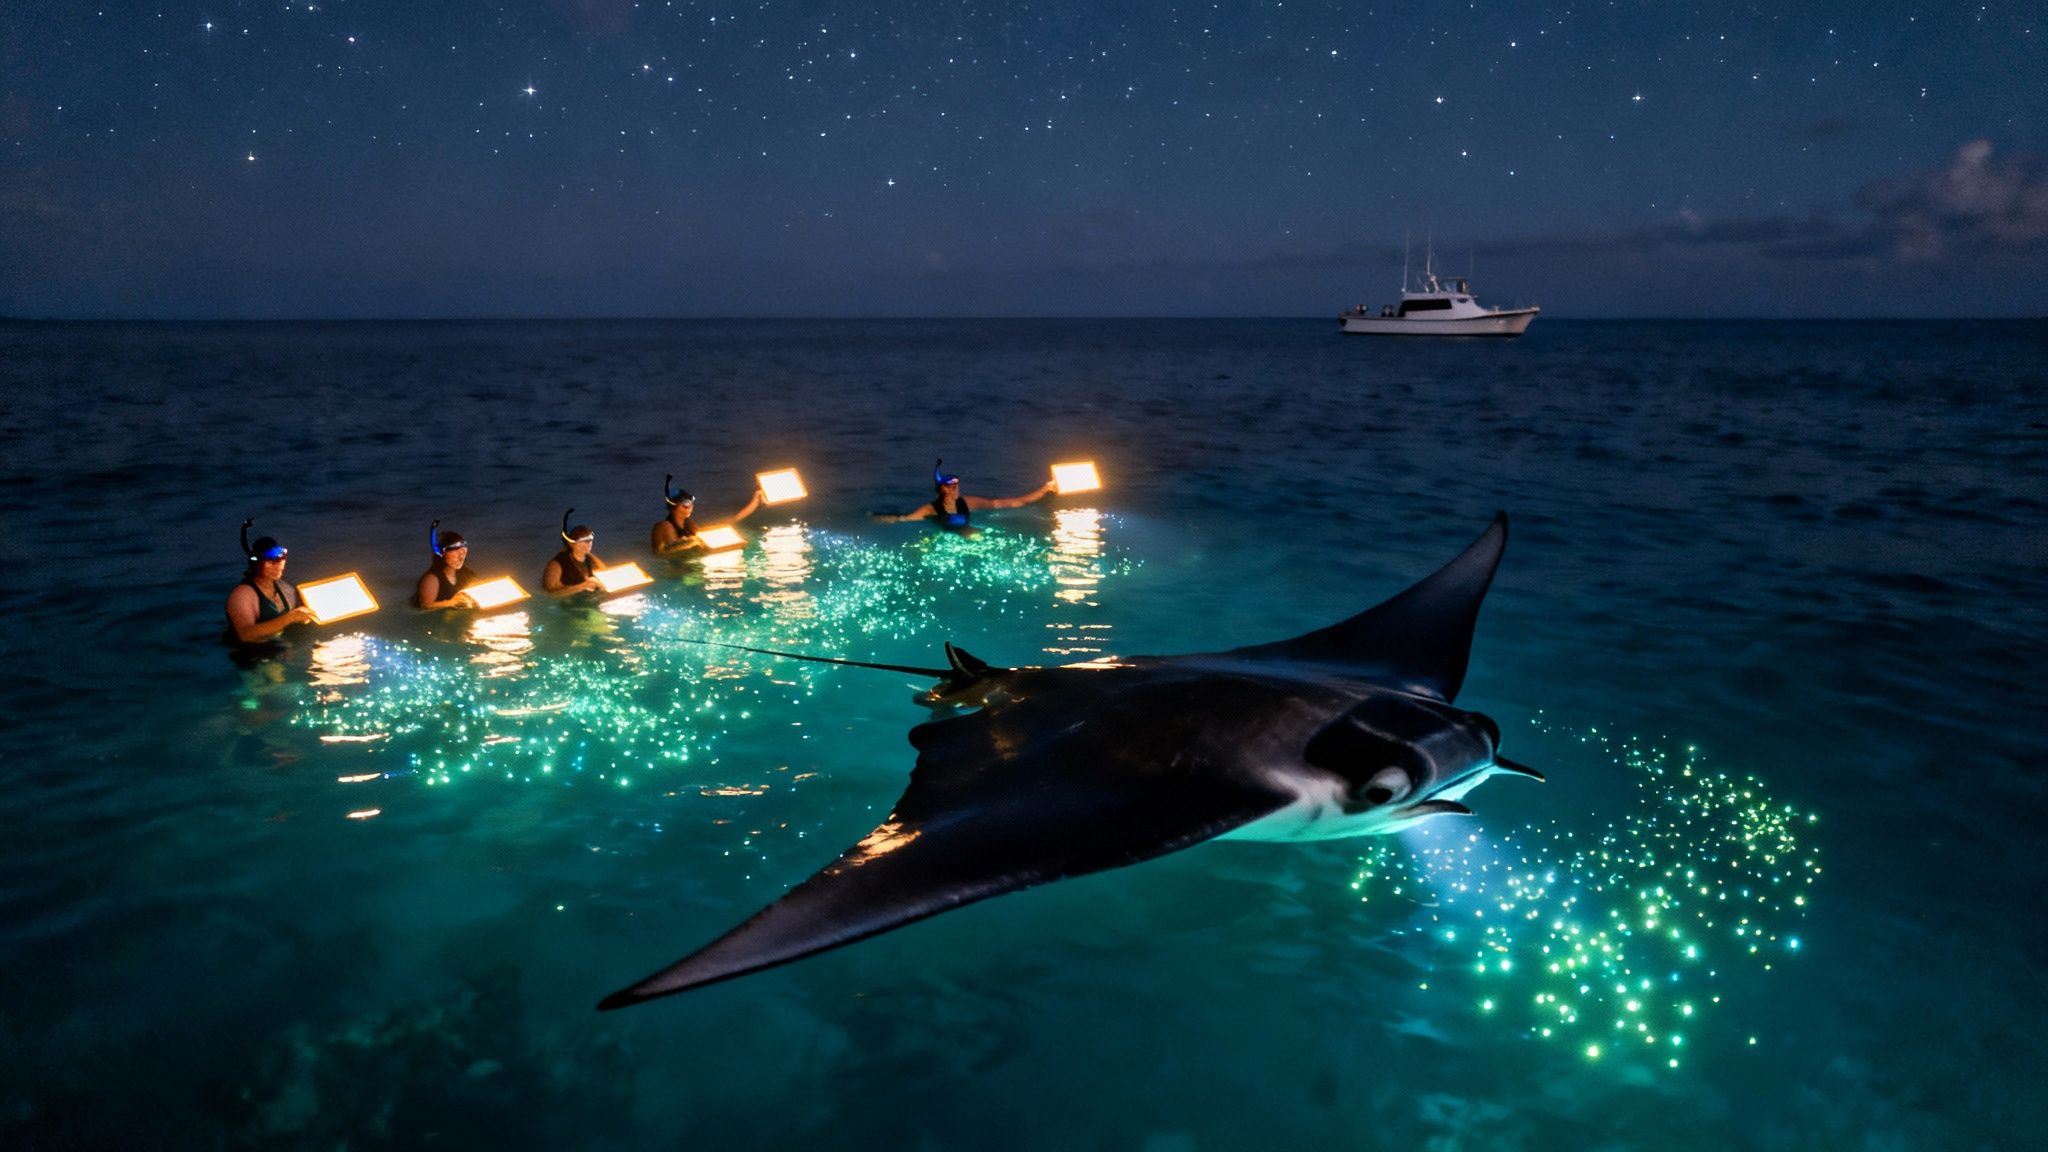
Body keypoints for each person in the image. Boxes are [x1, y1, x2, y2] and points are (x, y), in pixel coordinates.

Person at [873, 459, 1056, 535]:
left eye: (957, 485)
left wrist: (1044, 489)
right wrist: (874, 520)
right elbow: (903, 520)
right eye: (952, 486)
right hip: (943, 537)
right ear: (943, 490)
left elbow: (1008, 503)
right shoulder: (929, 510)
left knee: (980, 537)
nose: (956, 488)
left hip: (968, 534)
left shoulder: (968, 502)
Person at [225, 519, 314, 644]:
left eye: (281, 559)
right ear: (255, 563)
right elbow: (245, 635)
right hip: (253, 656)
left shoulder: (286, 589)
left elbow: (302, 614)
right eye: (270, 561)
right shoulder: (242, 595)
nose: (278, 565)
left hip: (282, 649)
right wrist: (289, 619)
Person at [650, 473, 764, 556]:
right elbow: (668, 552)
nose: (690, 507)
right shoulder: (664, 526)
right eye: (685, 504)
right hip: (674, 572)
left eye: (691, 504)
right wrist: (694, 541)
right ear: (673, 507)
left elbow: (731, 522)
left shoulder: (689, 525)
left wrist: (755, 500)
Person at [542, 509, 609, 595]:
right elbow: (552, 594)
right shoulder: (557, 564)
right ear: (571, 543)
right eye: (582, 541)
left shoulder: (588, 560)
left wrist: (589, 553)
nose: (587, 544)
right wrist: (583, 586)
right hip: (567, 604)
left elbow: (606, 573)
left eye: (589, 540)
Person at [414, 521, 476, 610]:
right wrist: (451, 603)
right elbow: (425, 606)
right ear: (441, 554)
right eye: (455, 553)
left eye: (462, 554)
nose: (460, 557)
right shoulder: (431, 579)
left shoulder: (466, 575)